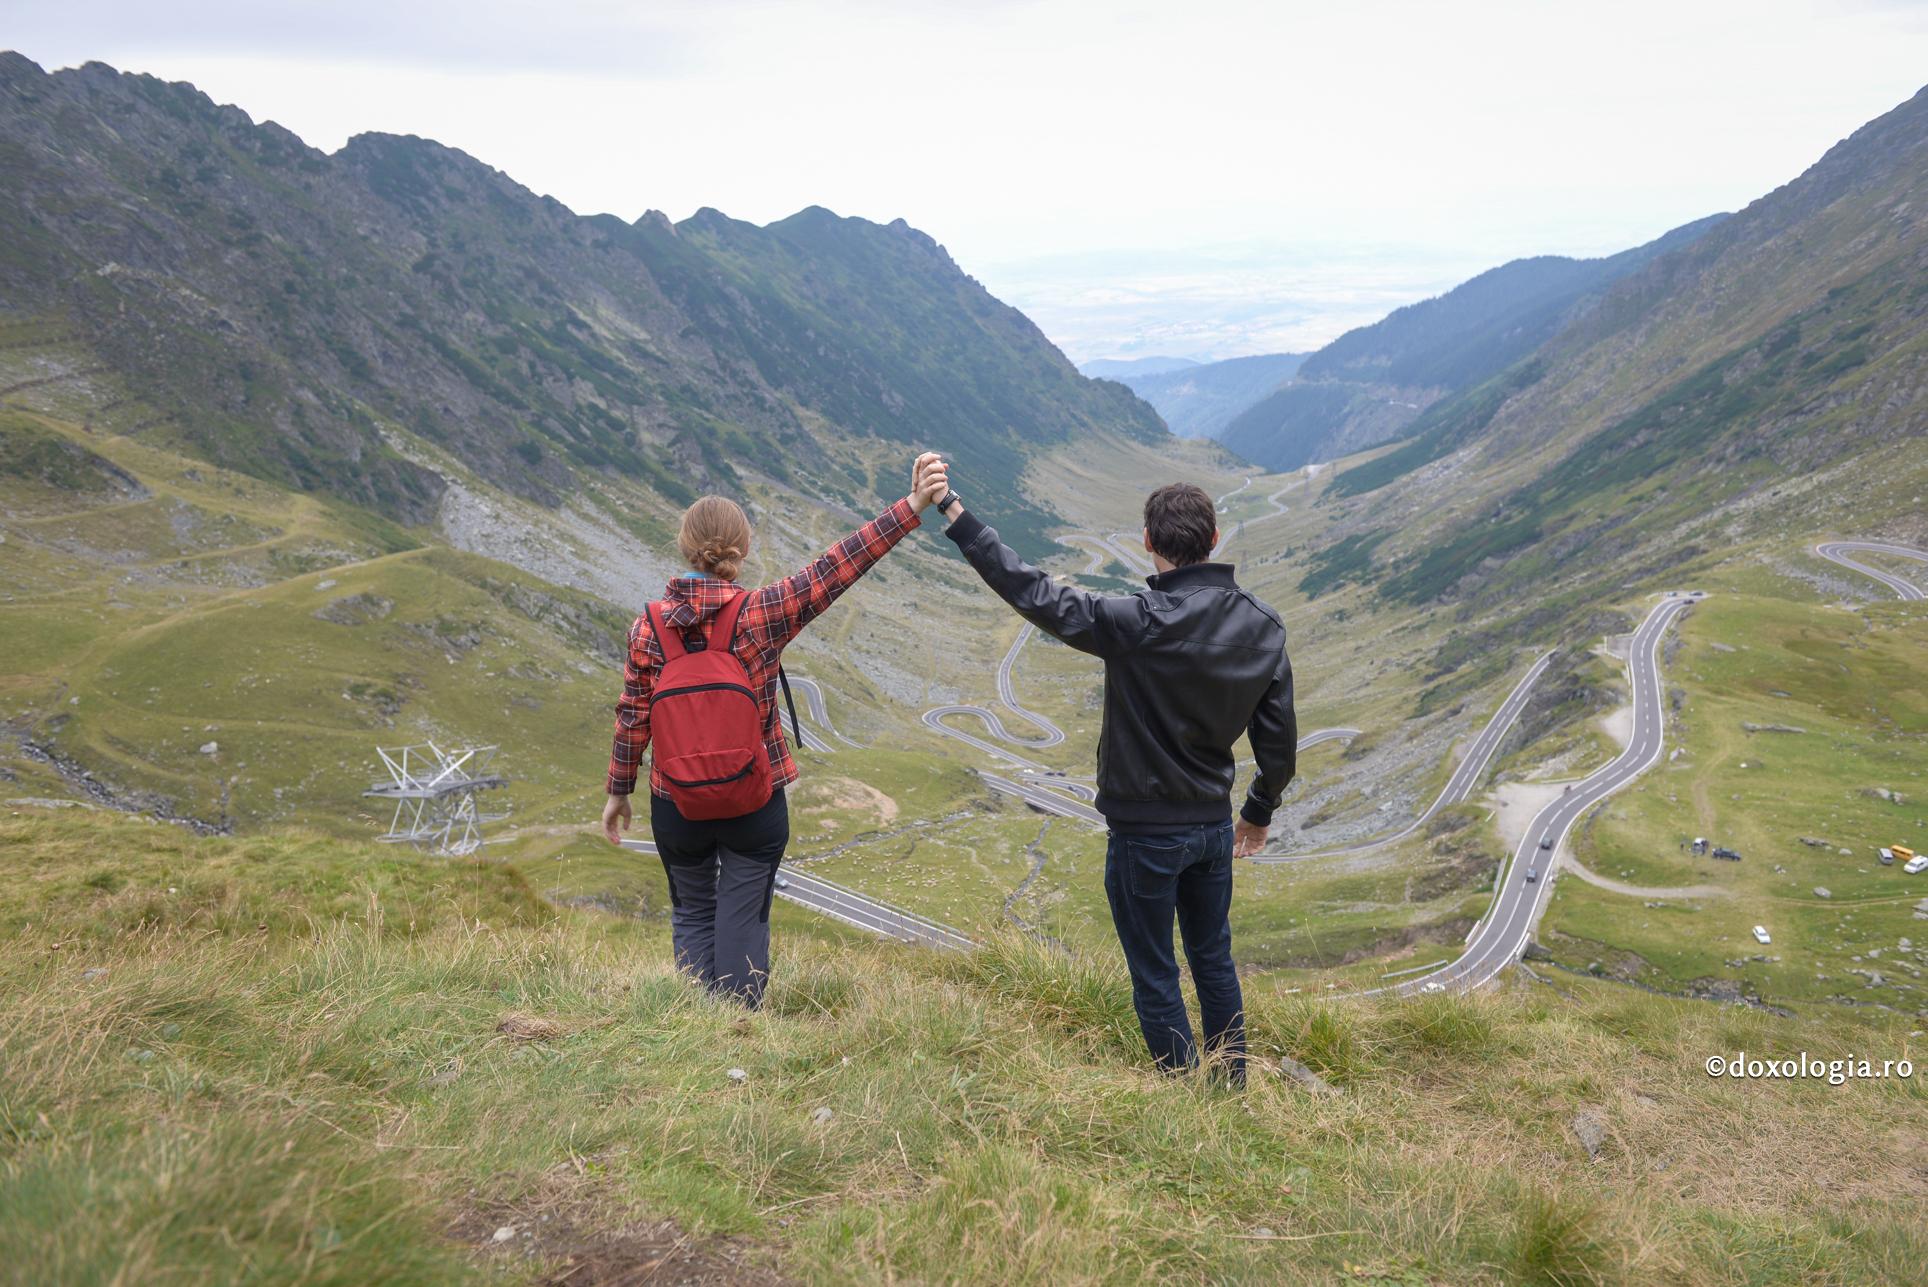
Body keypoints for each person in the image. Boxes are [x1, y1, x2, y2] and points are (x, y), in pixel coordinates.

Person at [932, 478, 1295, 1082]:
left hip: (1144, 834)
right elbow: (1277, 744)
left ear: (1148, 540)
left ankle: (1181, 1094)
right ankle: (1230, 1085)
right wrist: (1257, 813)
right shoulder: (1264, 625)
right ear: (1213, 539)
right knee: (1213, 959)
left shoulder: (1136, 621)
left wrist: (955, 513)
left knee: (1155, 971)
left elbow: (1035, 593)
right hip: (1212, 830)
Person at [602, 452, 950, 1008]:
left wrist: (619, 792)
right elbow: (837, 566)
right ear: (741, 552)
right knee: (742, 916)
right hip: (753, 799)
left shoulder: (648, 627)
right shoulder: (761, 613)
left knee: (693, 911)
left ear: (685, 548)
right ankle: (738, 1026)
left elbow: (632, 717)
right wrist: (912, 505)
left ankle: (693, 1028)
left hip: (676, 801)